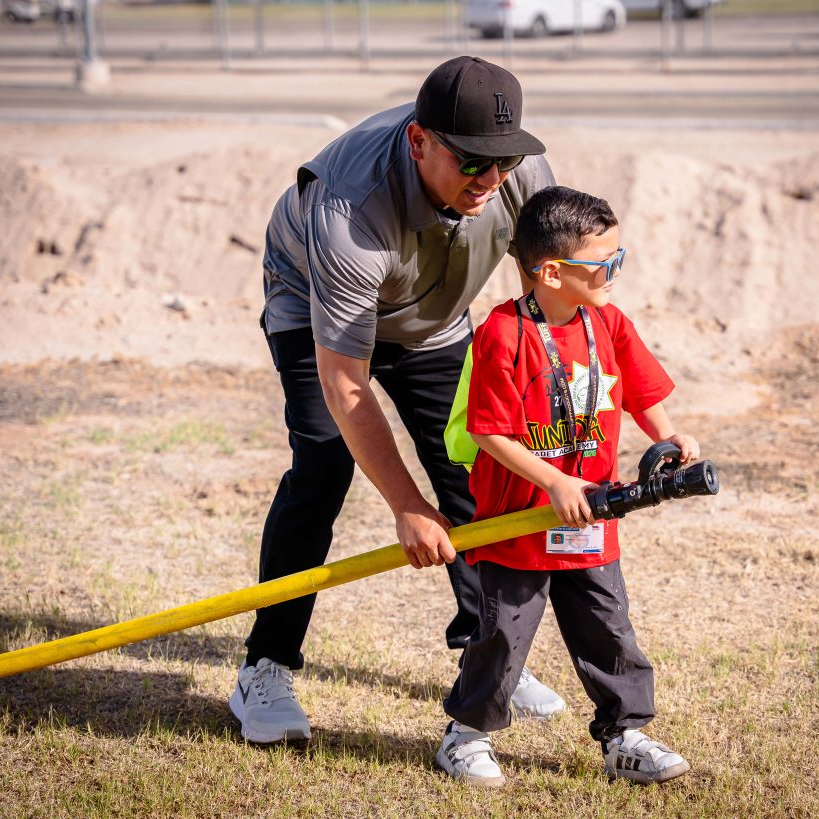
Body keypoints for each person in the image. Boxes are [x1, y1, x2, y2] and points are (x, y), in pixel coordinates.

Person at [231, 56, 568, 744]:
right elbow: (346, 380)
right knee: (324, 467)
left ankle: (488, 655)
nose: (491, 179)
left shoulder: (517, 175)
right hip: (312, 305)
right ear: (419, 142)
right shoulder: (348, 211)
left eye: (503, 161)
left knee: (478, 468)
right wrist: (408, 506)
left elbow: (549, 291)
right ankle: (263, 668)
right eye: (472, 161)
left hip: (433, 320)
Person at [434, 185, 701, 786]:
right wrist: (554, 480)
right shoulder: (503, 334)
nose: (614, 272)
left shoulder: (607, 321)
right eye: (604, 263)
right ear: (551, 271)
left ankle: (624, 735)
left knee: (608, 627)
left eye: (618, 259)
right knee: (501, 635)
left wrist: (671, 437)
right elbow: (490, 432)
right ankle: (466, 736)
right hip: (519, 521)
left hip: (591, 517)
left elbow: (642, 392)